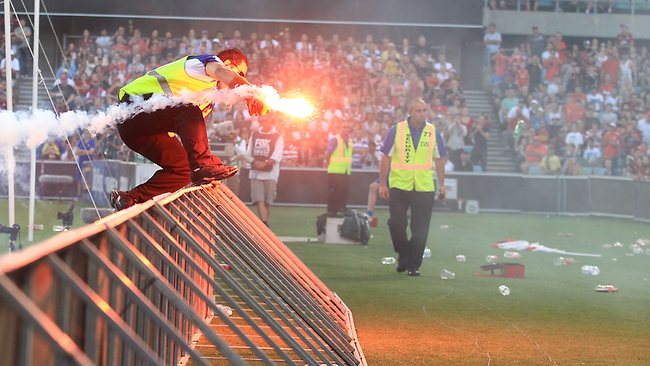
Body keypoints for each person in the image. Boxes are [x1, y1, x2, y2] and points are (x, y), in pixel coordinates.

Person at [110, 48, 268, 210]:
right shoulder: (206, 64)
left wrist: (208, 175)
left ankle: (129, 198)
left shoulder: (208, 99)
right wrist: (251, 93)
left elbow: (193, 135)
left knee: (184, 170)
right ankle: (202, 166)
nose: (240, 80)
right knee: (189, 110)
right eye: (240, 74)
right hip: (133, 107)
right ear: (227, 64)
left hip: (141, 131)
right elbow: (222, 72)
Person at [379, 99, 447, 277]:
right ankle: (403, 252)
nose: (422, 114)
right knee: (396, 223)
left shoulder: (433, 132)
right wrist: (382, 183)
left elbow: (440, 160)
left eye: (424, 110)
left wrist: (442, 185)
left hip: (424, 187)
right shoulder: (397, 130)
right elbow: (385, 157)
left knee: (421, 229)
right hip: (400, 184)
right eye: (418, 110)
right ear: (410, 111)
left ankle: (413, 265)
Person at [246, 115, 284, 227]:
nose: (263, 122)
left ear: (271, 121)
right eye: (261, 120)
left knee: (268, 201)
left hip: (270, 173)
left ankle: (264, 225)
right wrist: (254, 161)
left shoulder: (277, 136)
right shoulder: (255, 134)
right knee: (259, 199)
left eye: (266, 120)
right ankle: (264, 224)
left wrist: (266, 162)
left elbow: (277, 155)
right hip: (256, 173)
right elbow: (249, 152)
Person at [325, 122, 353, 215]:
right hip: (335, 171)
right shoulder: (335, 139)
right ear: (341, 128)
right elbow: (328, 154)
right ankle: (332, 212)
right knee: (334, 193)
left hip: (346, 171)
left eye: (348, 127)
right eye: (344, 126)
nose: (346, 129)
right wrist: (329, 164)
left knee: (344, 193)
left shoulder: (349, 141)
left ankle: (342, 210)